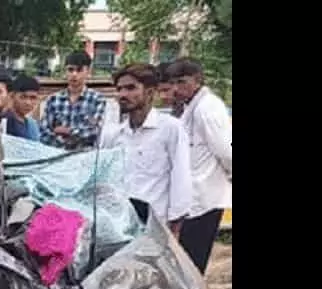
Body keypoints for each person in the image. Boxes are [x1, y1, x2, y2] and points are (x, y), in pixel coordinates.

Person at [99, 64, 192, 237]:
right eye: (119, 89)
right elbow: (104, 180)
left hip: (155, 225)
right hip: (120, 225)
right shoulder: (114, 135)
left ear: (150, 92)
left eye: (130, 88)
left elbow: (181, 177)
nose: (122, 94)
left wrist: (175, 224)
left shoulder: (170, 128)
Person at [169, 58, 231, 273]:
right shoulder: (191, 107)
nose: (176, 89)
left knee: (193, 262)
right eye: (173, 83)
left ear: (197, 80)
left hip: (205, 196)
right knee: (185, 260)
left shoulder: (208, 107)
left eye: (182, 82)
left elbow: (225, 150)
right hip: (192, 196)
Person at [40, 51, 106, 150]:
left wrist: (68, 131)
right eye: (70, 70)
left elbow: (96, 132)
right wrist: (65, 143)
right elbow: (43, 132)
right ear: (65, 71)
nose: (74, 74)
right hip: (56, 155)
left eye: (79, 70)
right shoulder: (53, 100)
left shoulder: (97, 100)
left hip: (86, 156)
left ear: (88, 71)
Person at [6, 73, 43, 141]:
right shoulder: (4, 121)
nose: (28, 103)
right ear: (12, 96)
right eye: (23, 97)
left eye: (33, 98)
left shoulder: (32, 125)